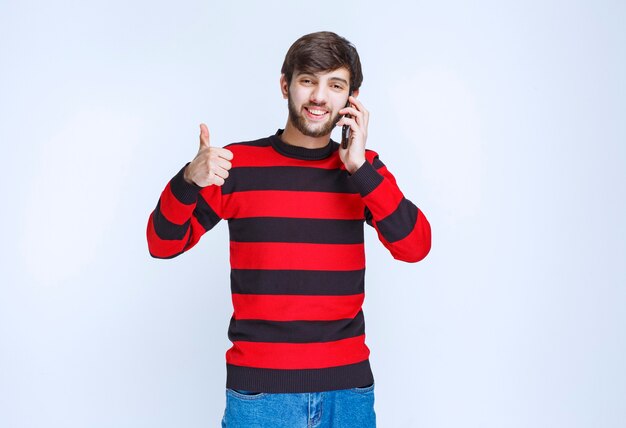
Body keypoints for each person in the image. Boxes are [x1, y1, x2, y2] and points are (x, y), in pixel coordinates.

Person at [146, 31, 431, 428]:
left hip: (346, 394)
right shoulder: (237, 165)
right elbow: (162, 244)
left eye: (335, 85)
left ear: (352, 99)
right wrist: (187, 181)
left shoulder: (362, 170)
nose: (319, 97)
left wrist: (361, 171)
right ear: (286, 85)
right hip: (260, 398)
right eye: (308, 81)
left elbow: (415, 246)